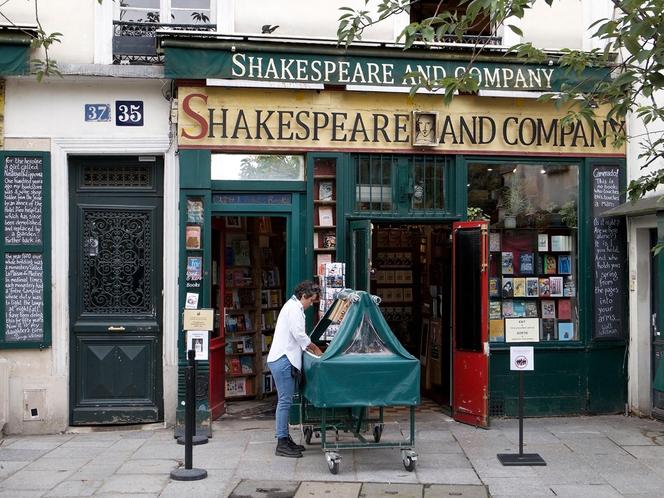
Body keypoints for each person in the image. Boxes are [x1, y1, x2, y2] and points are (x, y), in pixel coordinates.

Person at [267, 280, 323, 458]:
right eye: (311, 300)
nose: (311, 304)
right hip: (283, 360)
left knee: (286, 401)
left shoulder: (293, 307)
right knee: (285, 402)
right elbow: (299, 334)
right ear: (304, 296)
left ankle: (285, 439)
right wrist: (315, 348)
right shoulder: (293, 309)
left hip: (283, 359)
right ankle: (281, 443)